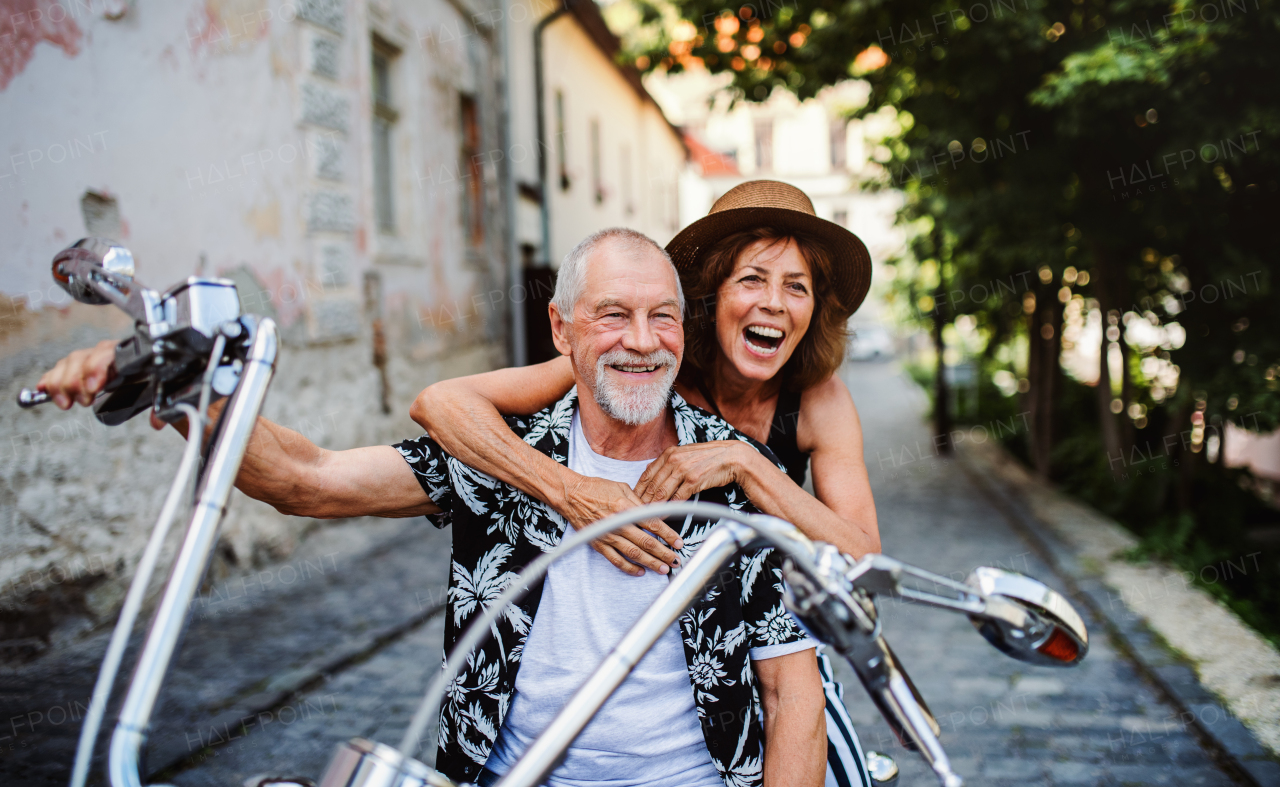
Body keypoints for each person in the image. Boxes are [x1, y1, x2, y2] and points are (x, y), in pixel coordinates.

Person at [34, 228, 827, 787]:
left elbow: (794, 687)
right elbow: (304, 476)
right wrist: (170, 385)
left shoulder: (727, 472)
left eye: (662, 316)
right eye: (612, 314)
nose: (642, 340)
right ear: (561, 327)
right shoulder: (502, 455)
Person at [411, 180, 881, 787]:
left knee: (832, 754)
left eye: (797, 286)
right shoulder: (650, 358)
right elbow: (444, 403)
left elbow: (863, 556)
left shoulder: (819, 400)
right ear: (710, 294)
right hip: (664, 638)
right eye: (752, 279)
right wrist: (565, 488)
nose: (774, 303)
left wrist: (748, 464)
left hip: (776, 625)